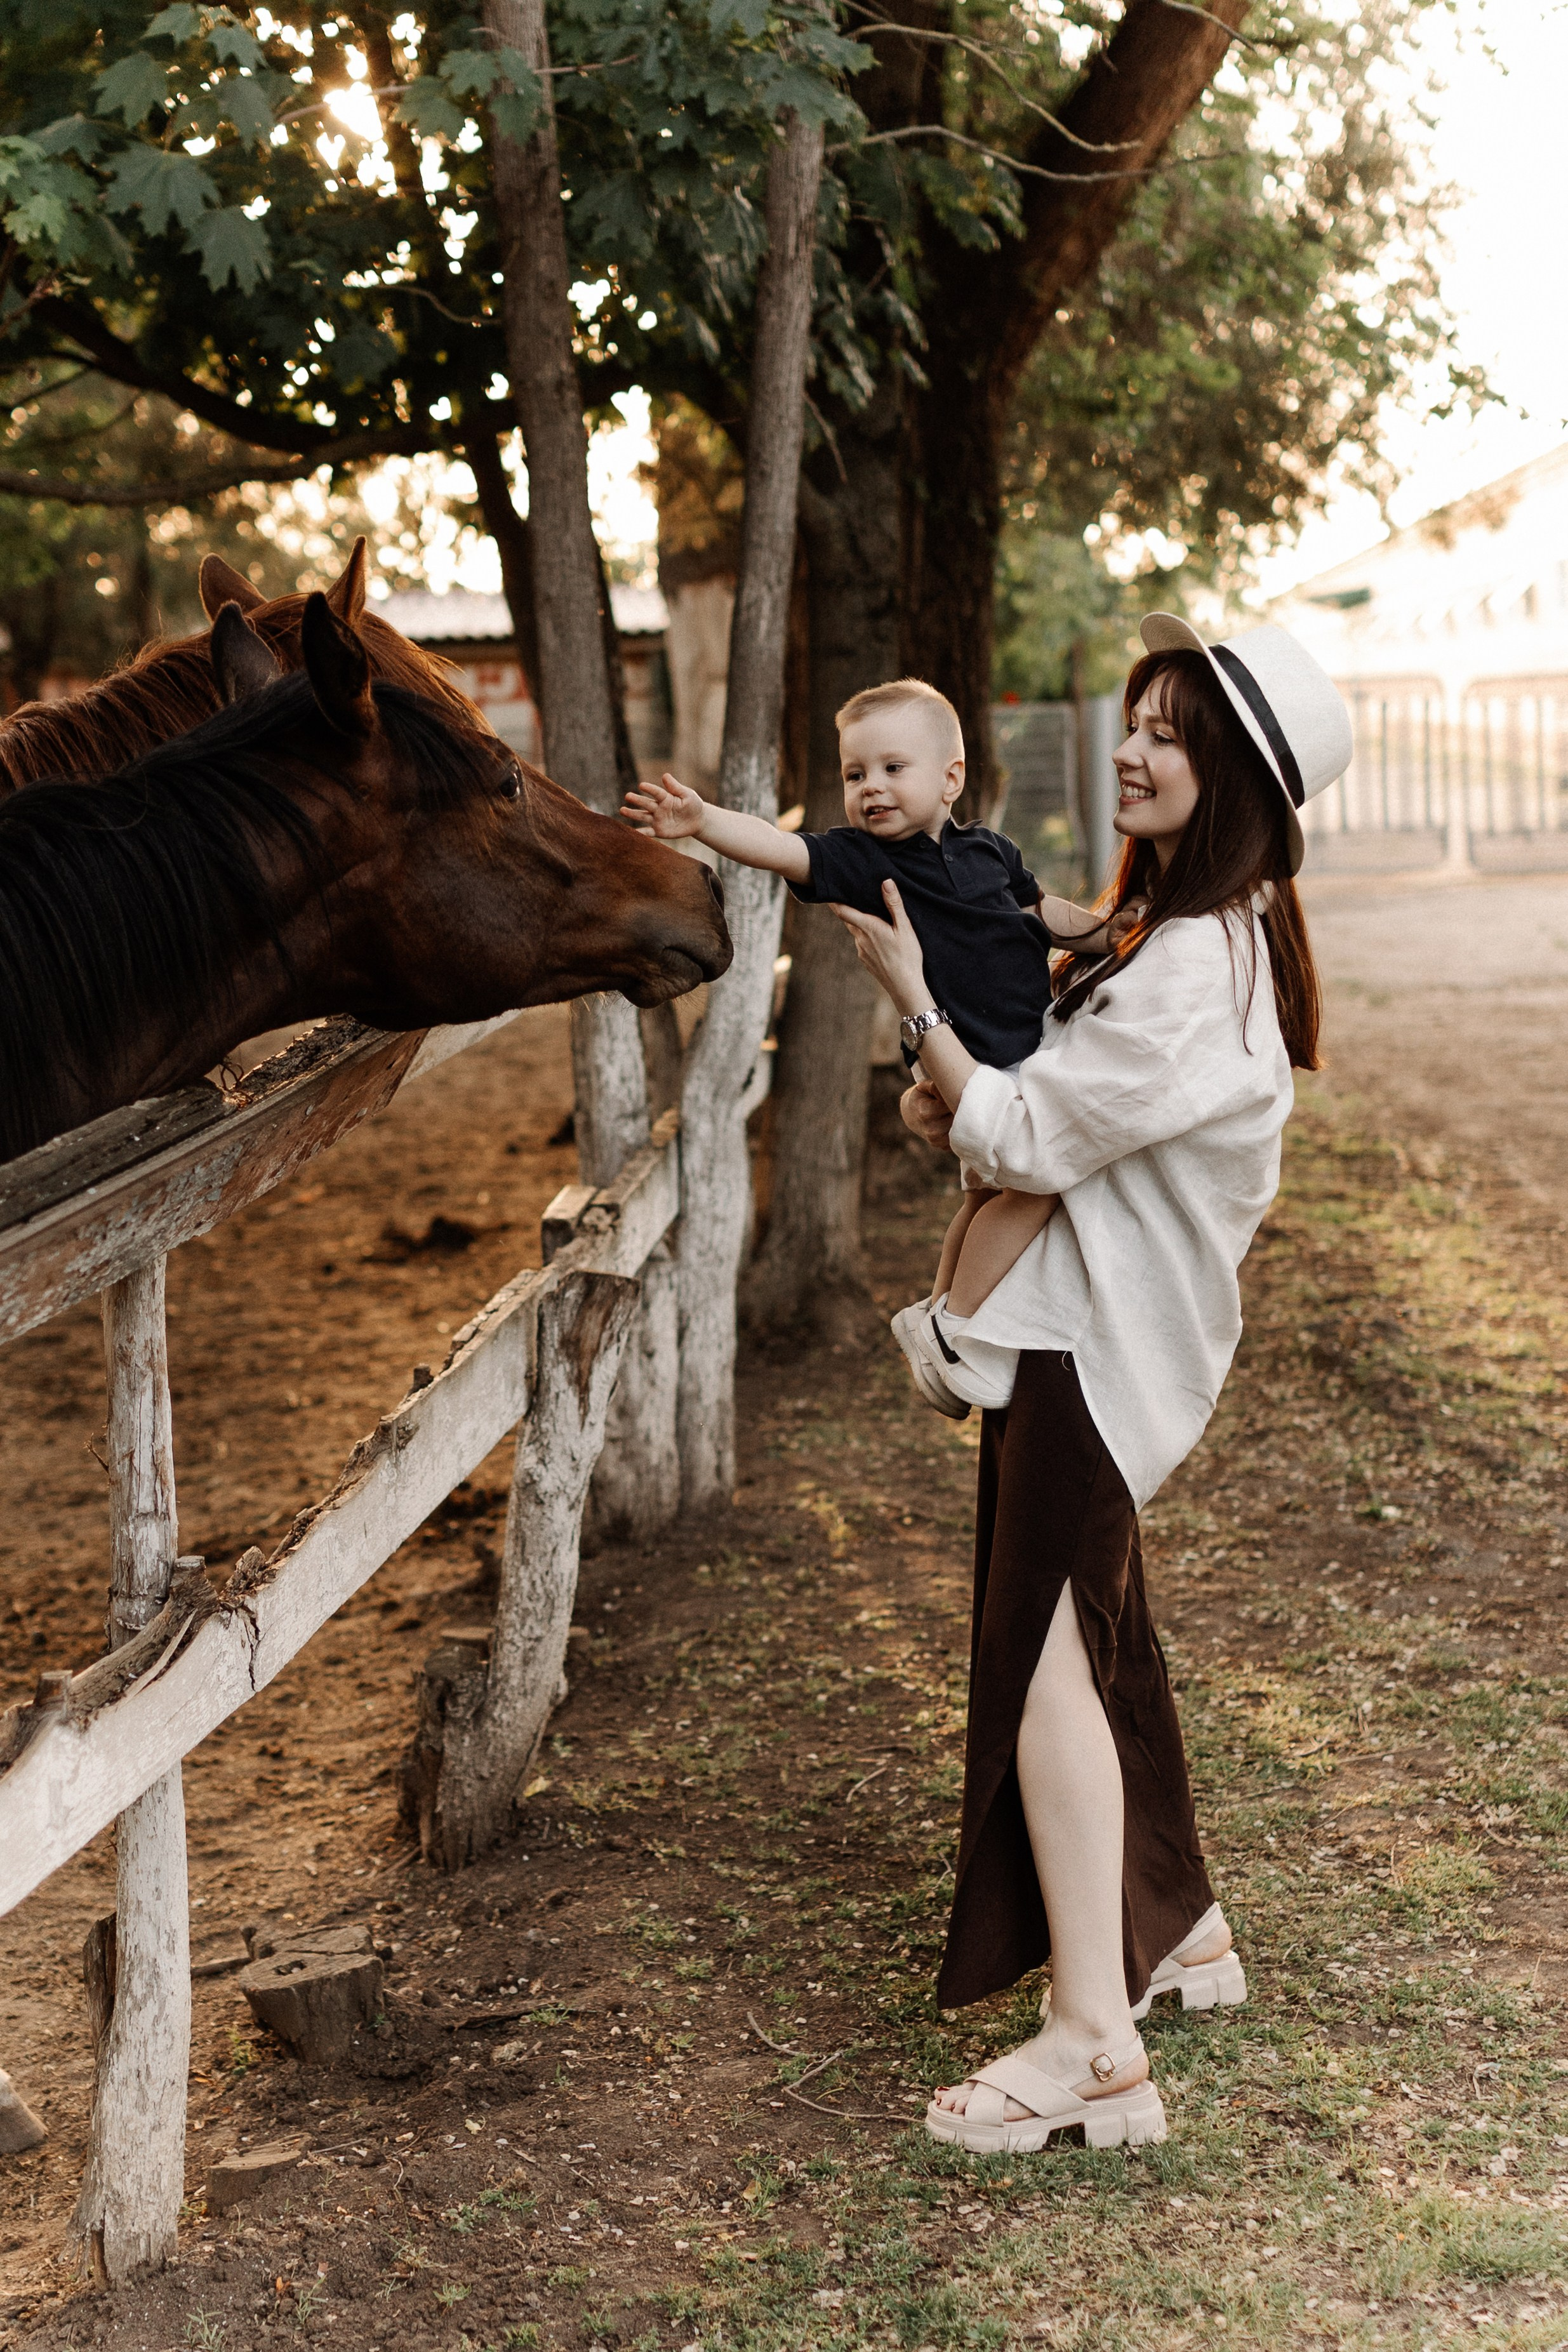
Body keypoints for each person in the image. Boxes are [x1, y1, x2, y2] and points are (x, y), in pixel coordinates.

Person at [830, 614, 1350, 2154]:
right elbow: (1029, 1103)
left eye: (1168, 736)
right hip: (1085, 1330)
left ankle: (1091, 2047)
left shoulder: (1190, 963)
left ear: (1233, 780)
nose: (1128, 751)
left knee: (1043, 1662)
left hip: (1093, 1345)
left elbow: (1025, 1135)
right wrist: (960, 1089)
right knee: (1099, 1635)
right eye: (1134, 721)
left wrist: (914, 1001)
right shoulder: (1165, 934)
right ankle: (1174, 1926)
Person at [620, 679, 1140, 1388]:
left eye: (893, 768)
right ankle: (957, 1327)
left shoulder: (990, 850)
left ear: (951, 778)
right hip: (970, 1060)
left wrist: (1105, 933)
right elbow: (779, 847)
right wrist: (703, 818)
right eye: (854, 774)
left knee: (985, 1199)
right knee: (1036, 1187)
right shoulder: (865, 860)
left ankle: (934, 1314)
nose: (871, 787)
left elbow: (1041, 912)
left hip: (1023, 1049)